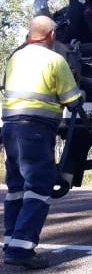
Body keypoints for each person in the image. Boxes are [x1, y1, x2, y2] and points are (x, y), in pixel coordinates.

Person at [1, 15, 83, 269]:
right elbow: (71, 98)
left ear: (30, 35)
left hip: (11, 128)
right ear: (51, 36)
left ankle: (11, 242)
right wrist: (79, 99)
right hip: (35, 130)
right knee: (39, 187)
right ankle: (22, 249)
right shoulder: (55, 60)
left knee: (16, 188)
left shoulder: (16, 58)